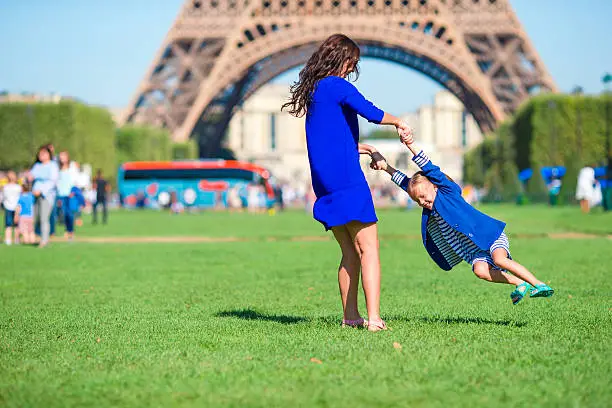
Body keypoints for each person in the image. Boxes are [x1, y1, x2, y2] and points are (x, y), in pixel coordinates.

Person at [281, 33, 412, 331]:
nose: (352, 69)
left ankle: (350, 316)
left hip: (324, 183)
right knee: (370, 248)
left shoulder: (314, 91)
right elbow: (372, 113)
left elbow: (331, 142)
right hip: (347, 179)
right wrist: (400, 122)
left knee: (349, 252)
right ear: (341, 59)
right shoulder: (337, 86)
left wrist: (366, 148)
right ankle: (375, 318)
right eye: (351, 62)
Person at [368, 134, 554, 305]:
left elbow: (429, 167)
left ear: (435, 186)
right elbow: (405, 184)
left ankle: (538, 284)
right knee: (480, 271)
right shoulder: (429, 209)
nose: (422, 202)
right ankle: (520, 283)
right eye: (418, 200)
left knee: (500, 260)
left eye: (424, 196)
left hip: (488, 235)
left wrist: (411, 145)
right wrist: (386, 168)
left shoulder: (449, 192)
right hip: (473, 251)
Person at [29, 145, 59, 248]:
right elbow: (30, 176)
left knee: (44, 218)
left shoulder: (52, 166)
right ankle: (35, 236)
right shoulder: (36, 166)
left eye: (44, 153)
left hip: (46, 195)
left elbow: (53, 181)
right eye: (40, 154)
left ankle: (44, 240)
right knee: (35, 218)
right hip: (35, 195)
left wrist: (41, 191)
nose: (41, 155)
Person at [57, 151, 76, 239]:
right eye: (60, 157)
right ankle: (67, 230)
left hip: (70, 194)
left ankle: (71, 231)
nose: (62, 158)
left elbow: (75, 180)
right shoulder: (57, 169)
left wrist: (73, 191)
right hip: (61, 194)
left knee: (70, 214)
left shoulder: (72, 167)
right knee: (63, 214)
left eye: (63, 156)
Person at [2, 171, 22, 245]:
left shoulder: (5, 187)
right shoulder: (18, 187)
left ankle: (8, 240)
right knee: (17, 225)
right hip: (17, 207)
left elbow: (3, 197)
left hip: (8, 207)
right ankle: (17, 240)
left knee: (8, 225)